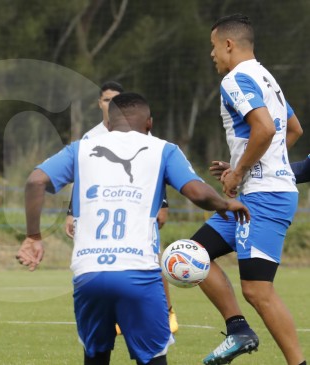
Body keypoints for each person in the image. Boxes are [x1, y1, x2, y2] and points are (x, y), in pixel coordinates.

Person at [17, 92, 250, 365]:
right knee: (152, 359)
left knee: (95, 356)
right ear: (149, 123)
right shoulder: (164, 149)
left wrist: (33, 236)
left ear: (109, 122)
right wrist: (225, 203)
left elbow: (35, 181)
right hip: (138, 271)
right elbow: (197, 193)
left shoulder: (81, 148)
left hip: (88, 273)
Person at [190, 14, 306, 365]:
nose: (212, 54)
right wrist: (253, 167)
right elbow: (294, 129)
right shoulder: (267, 77)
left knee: (258, 289)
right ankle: (238, 329)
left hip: (264, 198)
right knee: (193, 254)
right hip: (255, 193)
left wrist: (240, 171)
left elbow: (266, 129)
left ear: (228, 45)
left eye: (213, 47)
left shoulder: (236, 78)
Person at [65, 81, 178, 335]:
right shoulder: (89, 138)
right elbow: (80, 178)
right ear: (100, 104)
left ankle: (167, 311)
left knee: (150, 257)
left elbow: (157, 170)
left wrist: (163, 204)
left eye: (116, 99)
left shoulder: (141, 134)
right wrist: (71, 212)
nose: (110, 104)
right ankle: (112, 315)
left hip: (137, 208)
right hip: (98, 211)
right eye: (106, 100)